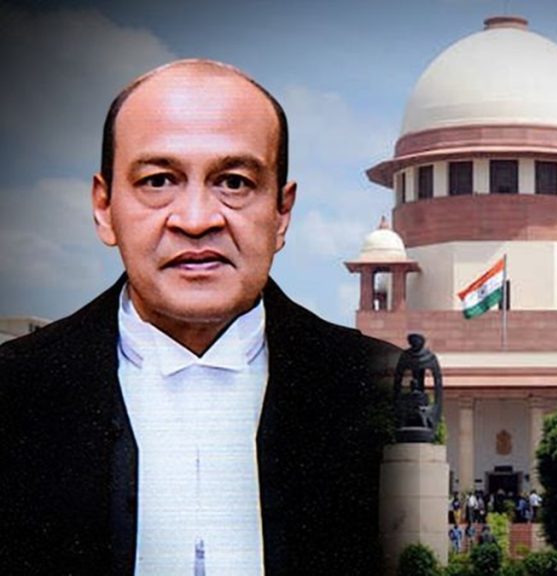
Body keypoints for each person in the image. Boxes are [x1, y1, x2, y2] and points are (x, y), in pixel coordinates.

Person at [0, 59, 397, 574]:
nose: (195, 220)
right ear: (103, 207)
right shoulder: (17, 391)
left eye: (234, 182)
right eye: (158, 180)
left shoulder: (375, 388)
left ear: (281, 213)